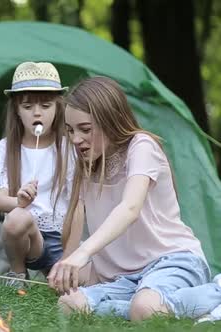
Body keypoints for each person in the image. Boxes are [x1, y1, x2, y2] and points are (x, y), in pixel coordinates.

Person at [49, 76, 221, 321]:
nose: (76, 139)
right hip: (124, 277)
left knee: (144, 307)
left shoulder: (141, 146)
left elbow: (130, 207)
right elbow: (76, 213)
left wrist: (83, 252)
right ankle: (151, 308)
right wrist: (66, 265)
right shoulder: (86, 163)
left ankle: (215, 293)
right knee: (69, 304)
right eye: (70, 131)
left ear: (110, 121)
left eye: (85, 129)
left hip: (171, 260)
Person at [0, 62, 76, 288]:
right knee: (17, 217)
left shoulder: (69, 148)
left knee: (84, 282)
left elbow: (78, 204)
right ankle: (19, 275)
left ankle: (53, 270)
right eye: (27, 107)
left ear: (58, 108)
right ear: (17, 110)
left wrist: (70, 255)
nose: (37, 113)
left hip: (61, 238)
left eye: (46, 106)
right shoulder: (4, 148)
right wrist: (18, 201)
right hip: (26, 238)